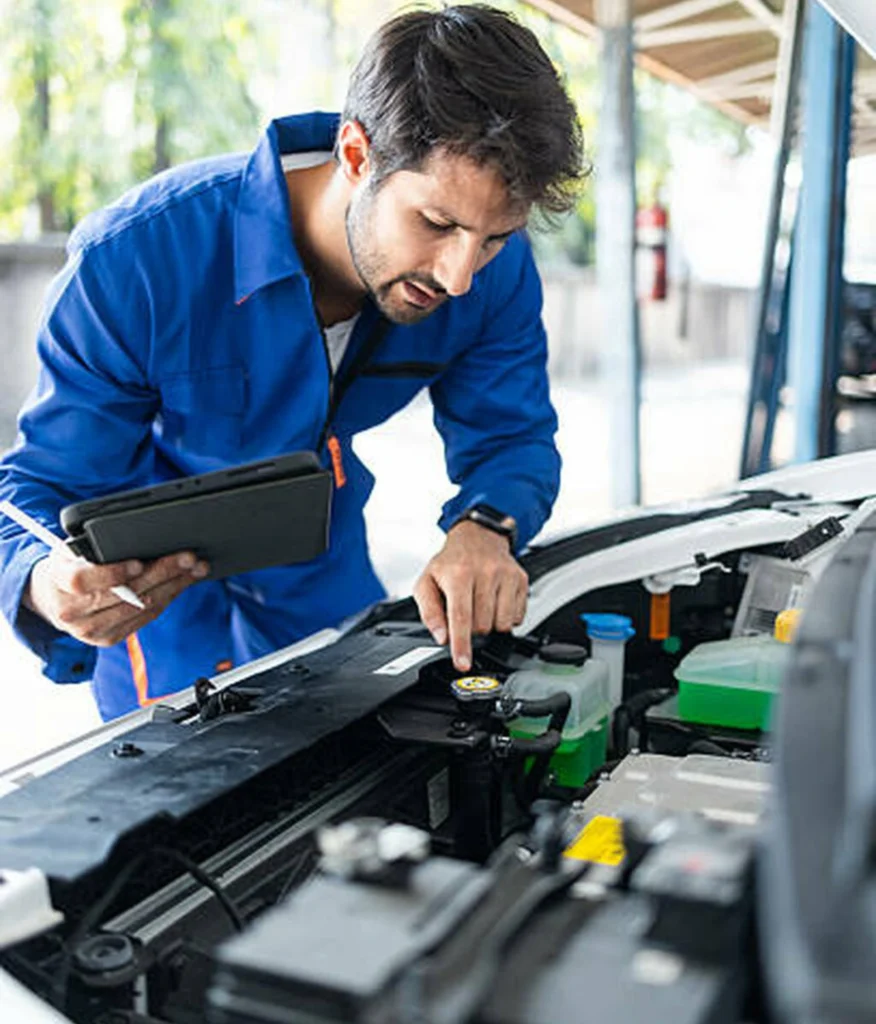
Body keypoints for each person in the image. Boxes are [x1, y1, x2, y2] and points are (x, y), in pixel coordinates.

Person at [0, 4, 585, 720]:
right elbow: (35, 489)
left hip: (324, 585)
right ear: (355, 154)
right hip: (156, 607)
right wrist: (45, 581)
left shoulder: (494, 272)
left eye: (495, 236)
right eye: (437, 223)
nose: (460, 276)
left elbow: (513, 438)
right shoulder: (137, 262)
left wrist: (486, 529)